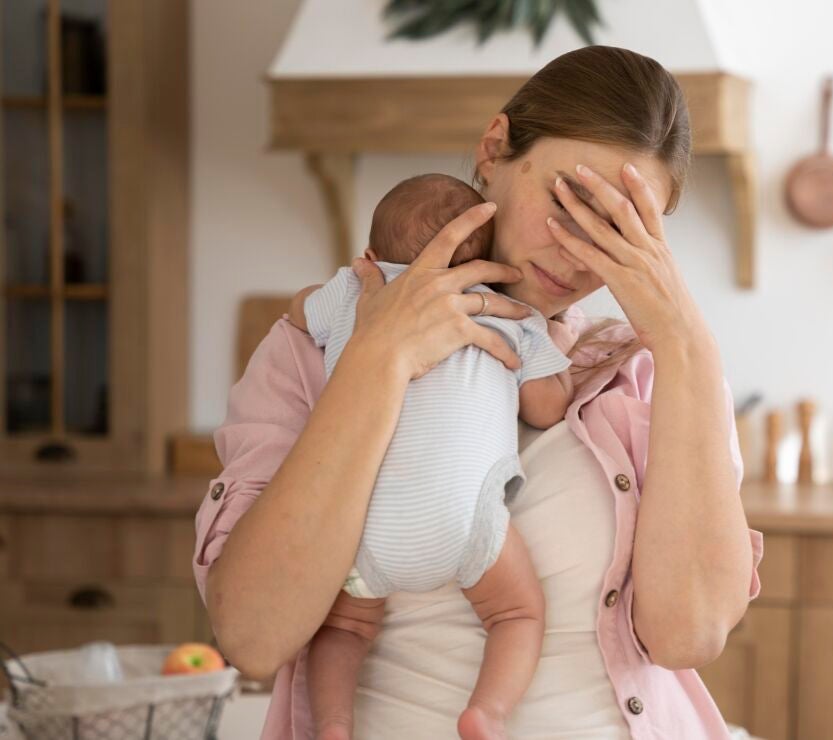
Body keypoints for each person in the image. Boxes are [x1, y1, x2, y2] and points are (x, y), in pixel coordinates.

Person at [193, 44, 764, 739]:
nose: (576, 251)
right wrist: (377, 361)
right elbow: (254, 636)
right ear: (494, 149)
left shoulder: (650, 373)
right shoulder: (315, 352)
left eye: (619, 229)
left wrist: (685, 341)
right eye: (568, 200)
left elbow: (688, 634)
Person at [288, 172, 578, 740]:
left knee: (344, 629)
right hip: (463, 519)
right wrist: (555, 349)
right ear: (486, 263)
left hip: (361, 522)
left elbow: (298, 313)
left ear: (371, 255)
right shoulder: (506, 313)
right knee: (516, 615)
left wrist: (344, 284)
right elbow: (547, 409)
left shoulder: (356, 293)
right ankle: (487, 713)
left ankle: (333, 725)